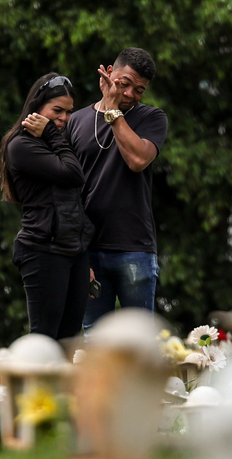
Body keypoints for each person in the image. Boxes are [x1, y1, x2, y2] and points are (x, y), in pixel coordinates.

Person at [65, 48, 168, 332]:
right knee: (94, 343)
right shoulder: (76, 122)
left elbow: (137, 160)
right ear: (109, 73)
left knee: (139, 342)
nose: (130, 94)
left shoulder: (152, 118)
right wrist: (77, 253)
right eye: (124, 83)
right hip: (89, 251)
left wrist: (113, 111)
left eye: (139, 90)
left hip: (134, 248)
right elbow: (67, 192)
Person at [0, 72, 94, 340]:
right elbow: (74, 174)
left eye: (68, 112)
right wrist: (52, 133)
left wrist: (83, 251)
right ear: (37, 107)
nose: (63, 118)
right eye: (57, 110)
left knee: (70, 340)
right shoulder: (21, 145)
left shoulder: (57, 143)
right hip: (43, 250)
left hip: (74, 251)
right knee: (44, 341)